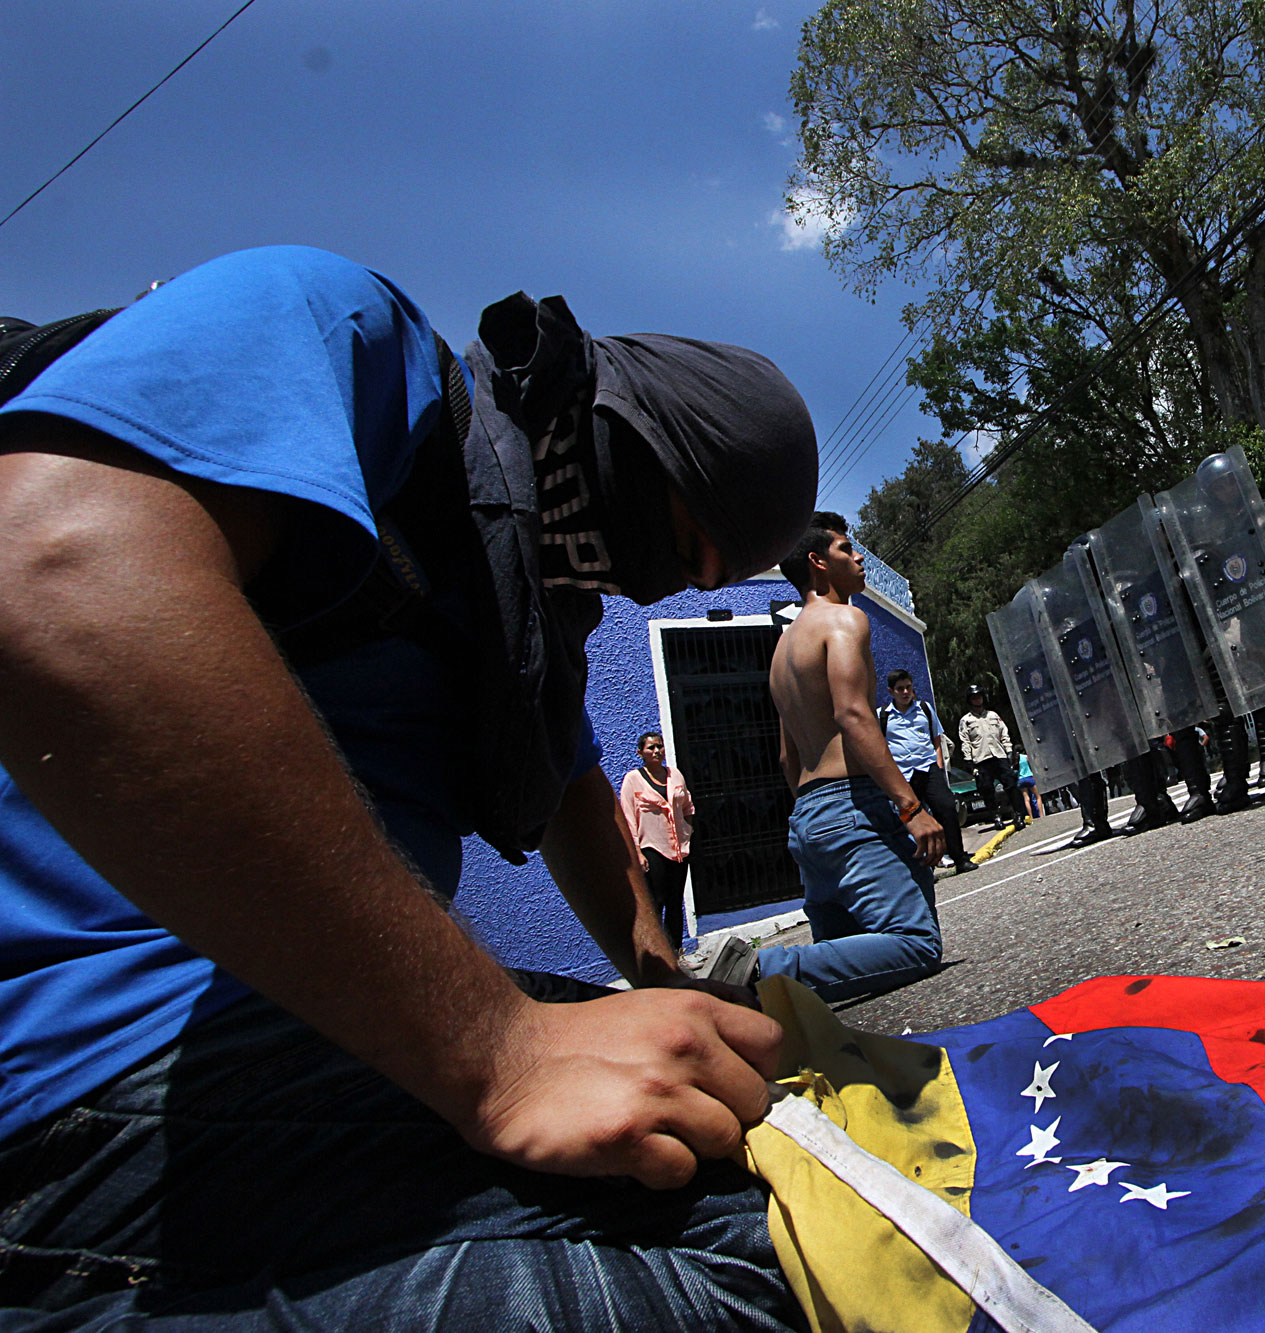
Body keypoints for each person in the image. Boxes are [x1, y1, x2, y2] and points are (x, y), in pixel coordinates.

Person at [0, 246, 818, 1327]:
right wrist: (497, 1051)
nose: (648, 582)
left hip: (313, 1043)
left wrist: (658, 979)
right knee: (767, 1269)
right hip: (97, 1080)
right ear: (600, 410)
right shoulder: (342, 331)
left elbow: (574, 792)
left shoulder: (519, 616)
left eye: (690, 580)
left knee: (796, 1160)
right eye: (671, 538)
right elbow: (52, 567)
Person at [757, 526, 946, 1002]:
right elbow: (853, 713)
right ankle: (762, 971)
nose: (859, 557)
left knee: (845, 970)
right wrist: (909, 807)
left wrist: (816, 815)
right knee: (915, 945)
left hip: (809, 820)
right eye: (846, 548)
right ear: (819, 563)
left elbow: (787, 755)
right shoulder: (844, 619)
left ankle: (770, 991)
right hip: (852, 808)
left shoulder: (782, 650)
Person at [878, 668, 973, 873]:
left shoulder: (924, 709)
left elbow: (937, 738)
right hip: (903, 775)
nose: (905, 692)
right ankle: (922, 868)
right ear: (891, 691)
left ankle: (959, 857)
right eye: (900, 689)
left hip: (927, 769)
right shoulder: (883, 716)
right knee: (909, 819)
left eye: (908, 687)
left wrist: (938, 765)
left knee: (947, 808)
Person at [620, 731, 696, 948]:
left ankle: (676, 952)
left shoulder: (675, 775)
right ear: (640, 753)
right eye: (651, 748)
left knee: (675, 902)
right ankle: (657, 953)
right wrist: (637, 852)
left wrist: (688, 828)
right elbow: (628, 817)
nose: (656, 751)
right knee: (656, 901)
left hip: (679, 848)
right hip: (651, 847)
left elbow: (687, 805)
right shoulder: (633, 780)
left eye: (659, 747)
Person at [958, 684, 1025, 830]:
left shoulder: (993, 716)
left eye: (979, 696)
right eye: (974, 697)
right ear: (970, 700)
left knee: (1011, 784)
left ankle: (1019, 814)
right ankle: (996, 817)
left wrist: (1009, 751)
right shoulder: (966, 720)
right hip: (981, 758)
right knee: (987, 789)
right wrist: (968, 760)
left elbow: (1004, 734)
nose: (977, 700)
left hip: (998, 755)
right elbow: (965, 741)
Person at [1017, 749, 1043, 818]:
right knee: (1038, 796)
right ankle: (1041, 815)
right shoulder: (1026, 757)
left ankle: (1030, 816)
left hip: (1021, 779)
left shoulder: (1016, 759)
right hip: (1029, 777)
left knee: (1026, 799)